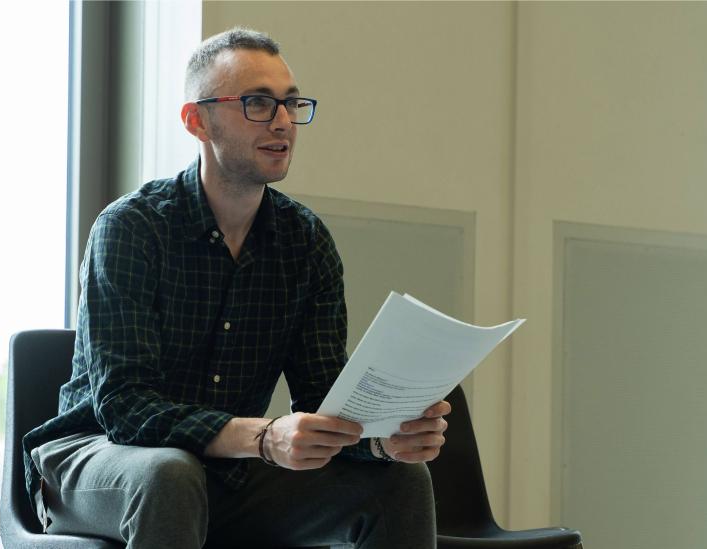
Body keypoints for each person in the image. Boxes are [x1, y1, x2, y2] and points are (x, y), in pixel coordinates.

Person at [23, 27, 450, 549]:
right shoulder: (131, 227)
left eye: (292, 104)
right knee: (170, 475)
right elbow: (125, 408)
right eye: (257, 103)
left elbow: (321, 396)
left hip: (229, 472)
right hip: (94, 460)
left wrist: (383, 439)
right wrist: (265, 438)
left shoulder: (305, 241)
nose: (283, 122)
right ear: (196, 120)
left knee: (401, 481)